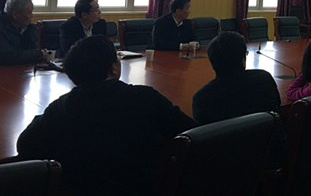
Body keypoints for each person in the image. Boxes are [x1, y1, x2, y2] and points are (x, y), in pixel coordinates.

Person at [17, 35, 197, 196]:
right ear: (113, 69)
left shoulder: (61, 107)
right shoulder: (144, 98)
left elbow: (25, 145)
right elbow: (193, 134)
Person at [192, 31, 284, 168]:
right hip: (272, 158)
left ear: (212, 62)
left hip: (228, 168)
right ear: (243, 60)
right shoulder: (264, 79)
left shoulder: (202, 98)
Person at [0, 0, 51, 65]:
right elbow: (8, 57)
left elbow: (31, 50)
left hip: (20, 69)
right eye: (29, 12)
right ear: (15, 15)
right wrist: (39, 53)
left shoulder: (27, 27)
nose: (32, 15)